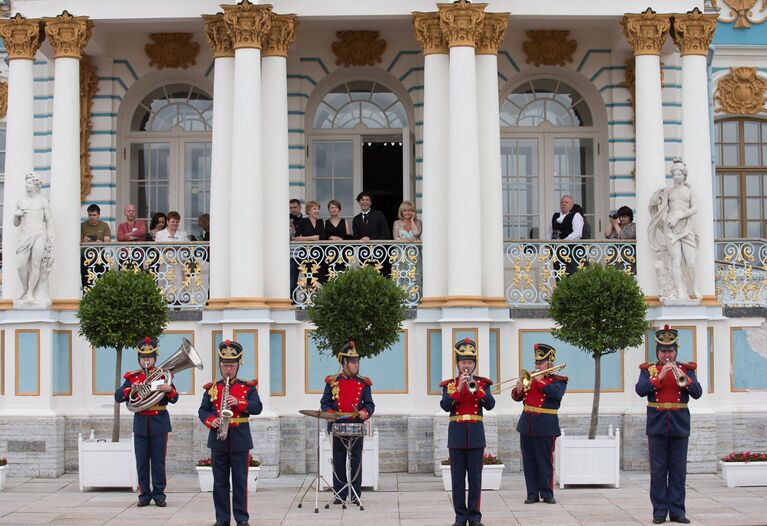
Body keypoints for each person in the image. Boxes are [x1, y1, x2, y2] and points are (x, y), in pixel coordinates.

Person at [636, 325, 702, 525]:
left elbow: (697, 393)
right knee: (658, 472)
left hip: (679, 425)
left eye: (670, 351)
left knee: (678, 472)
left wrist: (685, 380)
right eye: (663, 351)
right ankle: (659, 512)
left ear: (676, 351)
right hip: (657, 425)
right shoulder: (649, 371)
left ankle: (677, 512)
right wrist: (660, 377)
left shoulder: (686, 369)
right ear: (657, 351)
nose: (667, 355)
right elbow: (640, 390)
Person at [199, 340, 262, 526]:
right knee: (219, 483)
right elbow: (203, 411)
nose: (228, 369)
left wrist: (239, 403)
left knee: (240, 482)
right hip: (218, 438)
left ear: (238, 365)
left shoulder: (247, 388)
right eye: (225, 365)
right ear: (220, 365)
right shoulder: (213, 388)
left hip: (240, 439)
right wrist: (212, 421)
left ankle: (242, 519)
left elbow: (257, 407)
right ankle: (222, 518)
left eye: (232, 365)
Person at [115, 337, 178, 508]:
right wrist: (130, 389)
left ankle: (159, 494)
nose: (146, 360)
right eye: (143, 357)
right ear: (139, 359)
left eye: (149, 357)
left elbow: (175, 399)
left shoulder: (165, 375)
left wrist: (169, 390)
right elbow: (118, 396)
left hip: (159, 422)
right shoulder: (133, 377)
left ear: (155, 358)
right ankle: (144, 495)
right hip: (141, 423)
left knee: (158, 461)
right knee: (142, 461)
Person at [440, 338, 495, 526]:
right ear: (457, 364)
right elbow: (446, 406)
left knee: (475, 480)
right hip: (456, 437)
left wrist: (478, 390)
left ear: (474, 364)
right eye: (463, 362)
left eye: (470, 362)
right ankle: (460, 517)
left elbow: (490, 405)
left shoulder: (483, 384)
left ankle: (474, 517)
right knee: (457, 480)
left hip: (476, 436)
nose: (467, 366)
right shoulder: (449, 384)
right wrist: (459, 388)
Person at [511, 343, 567, 505]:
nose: (537, 366)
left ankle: (547, 494)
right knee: (529, 461)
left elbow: (556, 395)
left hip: (545, 424)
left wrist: (541, 382)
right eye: (536, 363)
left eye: (541, 363)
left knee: (545, 461)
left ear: (550, 362)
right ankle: (532, 494)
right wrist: (520, 388)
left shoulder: (558, 380)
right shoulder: (530, 379)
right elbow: (516, 397)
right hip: (527, 424)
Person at [320, 341, 374, 505]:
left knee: (356, 460)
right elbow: (325, 403)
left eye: (357, 361)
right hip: (338, 426)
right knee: (339, 459)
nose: (355, 364)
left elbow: (370, 404)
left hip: (356, 425)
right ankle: (340, 494)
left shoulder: (363, 383)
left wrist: (365, 412)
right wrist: (330, 413)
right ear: (343, 363)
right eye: (352, 361)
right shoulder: (332, 382)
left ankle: (356, 494)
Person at [648, 159, 700, 300]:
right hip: (670, 227)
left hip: (685, 227)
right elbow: (655, 203)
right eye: (674, 174)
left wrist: (680, 216)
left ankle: (694, 288)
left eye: (679, 174)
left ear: (684, 175)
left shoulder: (689, 192)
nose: (676, 177)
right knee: (675, 260)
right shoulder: (668, 191)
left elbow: (695, 208)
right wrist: (656, 195)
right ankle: (680, 291)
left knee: (691, 262)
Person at [14, 172, 54, 304]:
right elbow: (16, 223)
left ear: (37, 185)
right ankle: (25, 287)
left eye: (30, 182)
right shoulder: (20, 201)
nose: (27, 184)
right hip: (25, 235)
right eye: (26, 182)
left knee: (36, 264)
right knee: (21, 265)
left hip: (39, 234)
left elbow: (48, 221)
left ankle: (31, 292)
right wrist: (16, 214)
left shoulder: (43, 201)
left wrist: (50, 238)